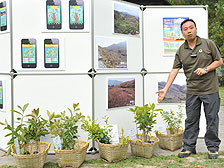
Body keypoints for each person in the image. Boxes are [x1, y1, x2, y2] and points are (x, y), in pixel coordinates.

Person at [156, 19, 223, 159]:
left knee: (212, 119)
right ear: (182, 32)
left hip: (210, 89)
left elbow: (219, 61)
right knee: (191, 120)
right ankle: (188, 147)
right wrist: (165, 89)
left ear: (196, 29)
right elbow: (174, 69)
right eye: (185, 29)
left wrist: (206, 69)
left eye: (191, 27)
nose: (189, 31)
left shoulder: (208, 44)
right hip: (192, 91)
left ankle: (212, 148)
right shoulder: (181, 50)